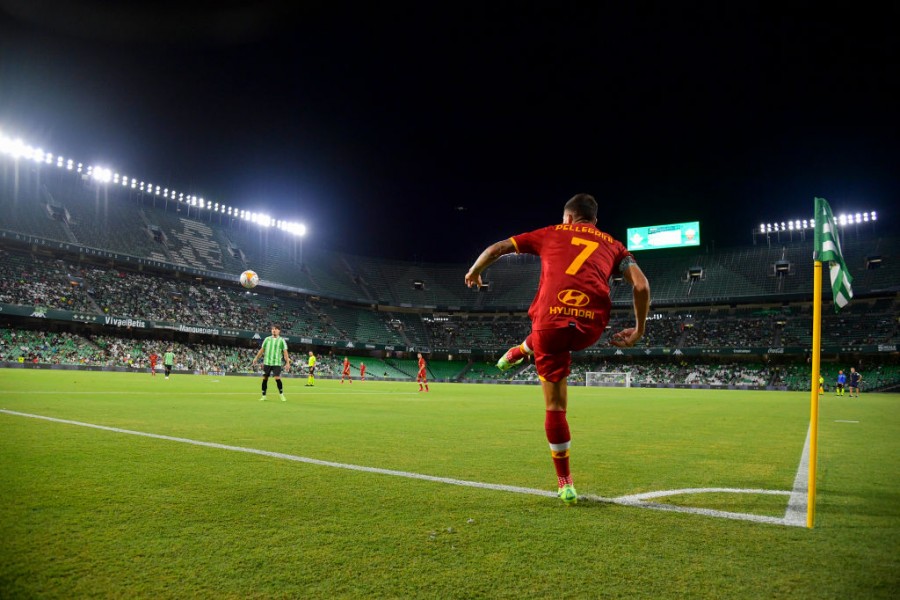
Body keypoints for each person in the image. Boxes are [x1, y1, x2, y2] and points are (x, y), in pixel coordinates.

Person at [465, 193, 650, 505]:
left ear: (568, 218)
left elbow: (497, 248)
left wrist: (475, 272)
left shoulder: (552, 232)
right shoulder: (615, 245)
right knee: (561, 332)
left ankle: (565, 482)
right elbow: (642, 286)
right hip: (591, 328)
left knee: (554, 406)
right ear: (594, 221)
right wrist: (638, 331)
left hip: (549, 326)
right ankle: (522, 350)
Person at [251, 325, 290, 401]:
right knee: (265, 378)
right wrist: (256, 358)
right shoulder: (267, 339)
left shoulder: (281, 340)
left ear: (279, 331)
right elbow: (262, 350)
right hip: (267, 362)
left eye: (275, 329)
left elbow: (285, 352)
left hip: (276, 363)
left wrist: (287, 363)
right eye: (272, 329)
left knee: (277, 378)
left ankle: (281, 394)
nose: (273, 330)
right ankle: (263, 395)